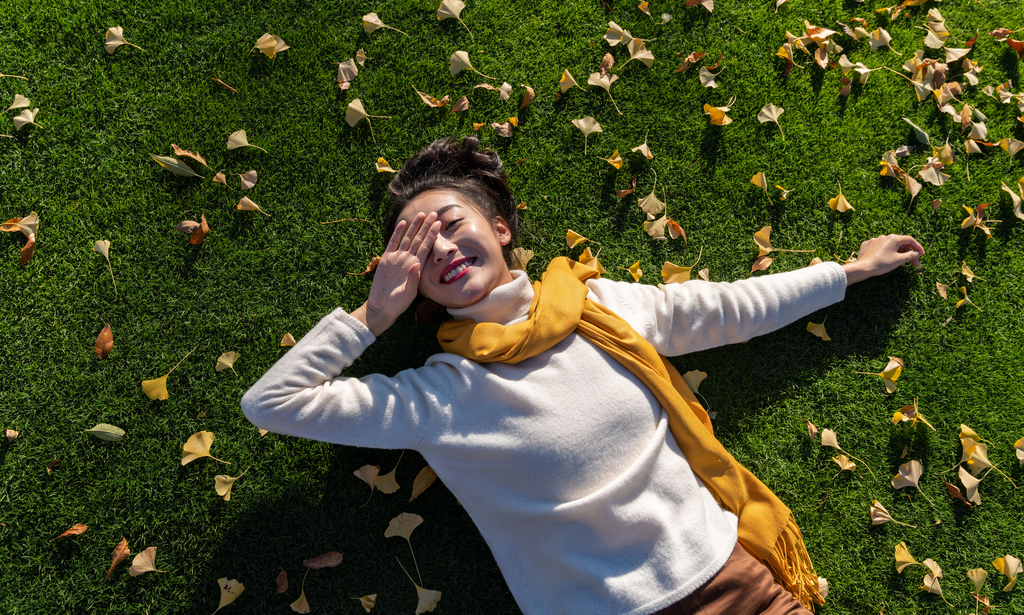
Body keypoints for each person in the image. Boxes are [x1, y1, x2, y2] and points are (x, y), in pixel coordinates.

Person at [241, 136, 924, 615]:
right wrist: (372, 312)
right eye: (417, 250)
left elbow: (724, 309)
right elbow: (271, 401)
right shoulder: (434, 397)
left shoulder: (595, 306)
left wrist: (849, 272)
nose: (444, 247)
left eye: (453, 223)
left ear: (501, 226)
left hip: (728, 583)